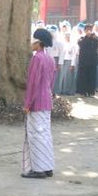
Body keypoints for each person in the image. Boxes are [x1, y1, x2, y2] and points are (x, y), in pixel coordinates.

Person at [22, 29, 56, 179]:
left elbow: (33, 83)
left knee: (35, 135)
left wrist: (28, 103)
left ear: (38, 43)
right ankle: (48, 167)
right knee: (46, 134)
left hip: (37, 102)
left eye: (33, 41)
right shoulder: (50, 58)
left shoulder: (37, 58)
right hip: (47, 100)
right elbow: (52, 81)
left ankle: (38, 169)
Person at [76, 24, 98, 97]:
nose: (89, 31)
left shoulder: (95, 38)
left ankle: (91, 91)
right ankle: (83, 91)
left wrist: (94, 37)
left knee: (92, 77)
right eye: (87, 30)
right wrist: (87, 37)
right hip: (83, 62)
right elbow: (81, 44)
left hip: (93, 61)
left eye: (90, 29)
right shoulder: (81, 38)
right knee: (83, 77)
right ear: (84, 31)